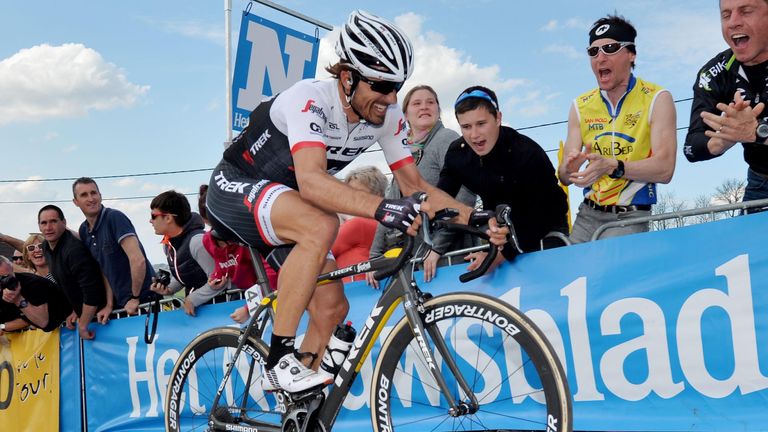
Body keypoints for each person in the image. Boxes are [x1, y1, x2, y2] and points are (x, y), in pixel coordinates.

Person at [206, 10, 505, 393]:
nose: (391, 98)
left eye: (397, 85)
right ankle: (279, 360)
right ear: (348, 77)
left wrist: (474, 217)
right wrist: (383, 207)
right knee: (322, 225)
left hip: (286, 205)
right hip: (236, 185)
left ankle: (296, 408)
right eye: (381, 85)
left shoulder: (386, 115)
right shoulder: (310, 99)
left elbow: (415, 185)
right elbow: (313, 182)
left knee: (333, 308)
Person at [558, 14, 677, 243]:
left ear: (631, 54)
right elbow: (564, 177)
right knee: (572, 276)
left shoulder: (657, 98)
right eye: (593, 52)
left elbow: (665, 169)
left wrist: (613, 166)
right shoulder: (580, 106)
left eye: (610, 48)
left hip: (629, 216)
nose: (600, 58)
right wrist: (569, 168)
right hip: (587, 215)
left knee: (604, 274)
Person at [438, 85, 569, 270]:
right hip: (502, 230)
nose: (474, 135)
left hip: (545, 228)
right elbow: (439, 197)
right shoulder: (457, 154)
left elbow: (551, 210)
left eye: (481, 124)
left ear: (498, 118)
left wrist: (502, 254)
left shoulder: (526, 152)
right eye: (466, 127)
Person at [368, 85, 477, 287]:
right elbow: (391, 205)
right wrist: (374, 256)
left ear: (438, 109)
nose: (424, 107)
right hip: (418, 256)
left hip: (449, 256)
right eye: (417, 103)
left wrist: (437, 247)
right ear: (405, 114)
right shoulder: (403, 152)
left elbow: (464, 196)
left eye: (430, 102)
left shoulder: (446, 139)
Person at [684, 0, 768, 211]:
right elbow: (691, 147)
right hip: (760, 180)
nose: (733, 22)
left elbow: (752, 132)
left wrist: (755, 132)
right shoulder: (714, 73)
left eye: (746, 11)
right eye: (726, 15)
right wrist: (722, 138)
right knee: (747, 244)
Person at [71, 177, 156, 314]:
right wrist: (109, 305)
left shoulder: (114, 218)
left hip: (144, 301)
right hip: (122, 305)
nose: (91, 198)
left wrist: (135, 298)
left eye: (94, 193)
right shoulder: (84, 230)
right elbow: (104, 269)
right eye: (84, 195)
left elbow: (138, 260)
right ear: (76, 202)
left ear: (100, 196)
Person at [38, 205, 108, 340]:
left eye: (53, 221)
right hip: (89, 317)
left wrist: (83, 324)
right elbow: (68, 284)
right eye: (44, 223)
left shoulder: (74, 250)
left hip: (105, 319)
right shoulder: (46, 247)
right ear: (39, 226)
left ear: (64, 223)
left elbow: (92, 292)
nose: (48, 227)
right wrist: (76, 310)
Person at [148, 190, 223, 316]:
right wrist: (169, 289)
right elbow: (186, 271)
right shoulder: (168, 245)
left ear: (168, 218)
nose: (150, 221)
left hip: (220, 308)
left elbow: (219, 279)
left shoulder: (197, 242)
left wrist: (193, 299)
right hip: (203, 310)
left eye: (153, 216)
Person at [331, 166, 387, 282]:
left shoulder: (358, 224)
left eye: (359, 193)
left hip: (355, 289)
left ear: (377, 195)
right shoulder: (384, 223)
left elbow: (323, 251)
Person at [0, 256, 72, 333]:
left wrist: (18, 300)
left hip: (67, 332)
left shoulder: (33, 284)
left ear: (12, 268)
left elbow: (43, 322)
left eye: (6, 278)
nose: (5, 282)